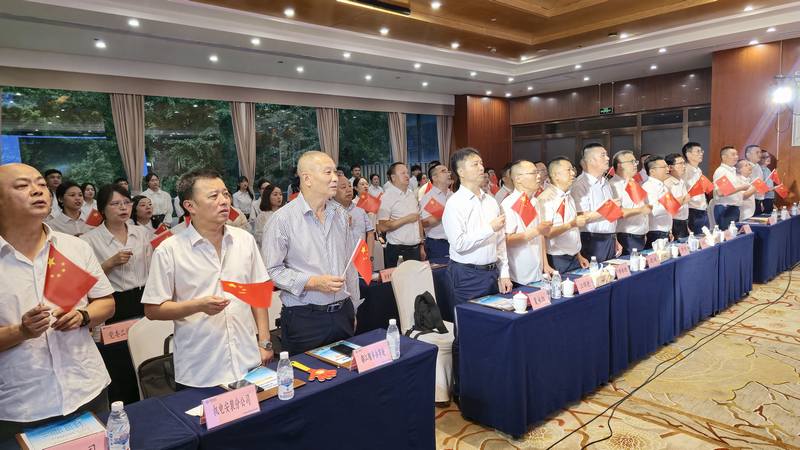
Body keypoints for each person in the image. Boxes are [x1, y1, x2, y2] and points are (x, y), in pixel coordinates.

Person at [0, 163, 115, 443]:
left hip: (87, 387)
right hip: (22, 405)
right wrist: (21, 331)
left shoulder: (74, 247)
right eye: (22, 186)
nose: (37, 190)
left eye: (41, 184)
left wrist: (83, 315)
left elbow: (106, 303)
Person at [142, 169, 272, 389]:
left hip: (248, 360)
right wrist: (198, 306)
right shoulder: (170, 250)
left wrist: (265, 341)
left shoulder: (244, 240)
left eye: (226, 194)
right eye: (214, 196)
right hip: (200, 369)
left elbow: (258, 292)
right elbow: (153, 309)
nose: (224, 201)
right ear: (190, 206)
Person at [263, 151, 360, 355]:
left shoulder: (340, 214)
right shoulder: (282, 220)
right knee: (307, 374)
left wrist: (353, 307)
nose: (335, 178)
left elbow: (349, 264)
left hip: (343, 312)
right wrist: (312, 282)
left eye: (335, 172)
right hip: (305, 318)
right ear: (307, 179)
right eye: (328, 172)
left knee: (347, 372)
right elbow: (272, 271)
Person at [441, 148, 509, 402]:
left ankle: (488, 382)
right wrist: (488, 228)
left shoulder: (490, 201)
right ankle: (464, 390)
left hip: (492, 273)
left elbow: (500, 240)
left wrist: (504, 272)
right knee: (468, 333)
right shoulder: (455, 204)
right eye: (474, 164)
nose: (481, 168)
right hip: (466, 276)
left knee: (491, 329)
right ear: (460, 171)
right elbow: (459, 244)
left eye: (481, 163)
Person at [82, 185, 152, 323]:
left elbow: (151, 267)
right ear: (102, 209)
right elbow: (86, 281)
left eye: (127, 202)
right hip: (113, 300)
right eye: (115, 203)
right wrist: (110, 263)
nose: (123, 207)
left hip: (145, 296)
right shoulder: (88, 240)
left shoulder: (142, 232)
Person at [500, 160, 553, 285]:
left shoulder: (535, 201)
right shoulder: (508, 204)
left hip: (538, 270)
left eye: (538, 172)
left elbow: (540, 235)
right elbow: (507, 240)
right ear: (518, 179)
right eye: (533, 173)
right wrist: (537, 230)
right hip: (520, 274)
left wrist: (546, 264)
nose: (538, 176)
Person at [539, 157, 589, 273]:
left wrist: (579, 255)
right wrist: (571, 224)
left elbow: (574, 230)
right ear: (556, 175)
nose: (573, 173)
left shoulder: (568, 196)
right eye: (568, 170)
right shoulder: (546, 199)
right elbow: (546, 233)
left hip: (574, 257)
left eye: (573, 169)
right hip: (557, 258)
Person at [571, 143, 619, 262]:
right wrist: (608, 208)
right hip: (592, 240)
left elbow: (610, 217)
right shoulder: (580, 185)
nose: (608, 158)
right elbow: (581, 217)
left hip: (610, 238)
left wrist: (615, 238)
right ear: (591, 160)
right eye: (603, 155)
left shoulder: (606, 182)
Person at [378, 162, 425, 268]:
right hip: (398, 250)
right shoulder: (386, 197)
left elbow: (418, 220)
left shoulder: (411, 194)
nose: (407, 176)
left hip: (416, 248)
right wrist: (407, 219)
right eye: (403, 173)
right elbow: (383, 226)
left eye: (407, 173)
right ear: (393, 177)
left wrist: (421, 245)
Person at [609, 150, 652, 255]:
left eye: (635, 162)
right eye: (631, 162)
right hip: (626, 237)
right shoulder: (613, 186)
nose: (635, 164)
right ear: (620, 165)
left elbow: (642, 207)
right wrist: (640, 210)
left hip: (641, 235)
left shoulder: (633, 182)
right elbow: (615, 213)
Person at [335, 175, 374, 257]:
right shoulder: (330, 212)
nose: (349, 190)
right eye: (343, 187)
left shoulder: (360, 209)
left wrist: (370, 256)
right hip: (341, 260)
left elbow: (370, 232)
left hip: (361, 258)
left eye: (350, 186)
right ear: (333, 191)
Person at [420, 163, 452, 263]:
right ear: (435, 177)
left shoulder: (453, 195)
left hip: (455, 243)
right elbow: (424, 223)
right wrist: (445, 212)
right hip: (437, 244)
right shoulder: (428, 198)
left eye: (448, 171)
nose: (448, 174)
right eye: (443, 171)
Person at [713, 146, 750, 229]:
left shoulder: (731, 171)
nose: (736, 157)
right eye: (733, 155)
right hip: (725, 209)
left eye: (737, 154)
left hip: (733, 208)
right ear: (724, 157)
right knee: (727, 235)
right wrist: (741, 188)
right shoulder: (721, 171)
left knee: (734, 234)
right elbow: (721, 192)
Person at [641, 156, 673, 247]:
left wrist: (670, 230)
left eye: (667, 166)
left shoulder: (664, 186)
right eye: (664, 167)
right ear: (652, 171)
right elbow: (654, 210)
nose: (668, 169)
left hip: (665, 231)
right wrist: (671, 204)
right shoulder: (648, 187)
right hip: (655, 232)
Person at [681, 142, 709, 234]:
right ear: (688, 154)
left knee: (706, 238)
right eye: (698, 151)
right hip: (692, 210)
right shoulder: (685, 170)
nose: (701, 154)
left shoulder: (698, 170)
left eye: (701, 151)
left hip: (702, 209)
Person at [665, 153, 690, 239]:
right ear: (670, 167)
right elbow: (668, 207)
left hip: (683, 221)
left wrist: (686, 226)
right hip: (673, 223)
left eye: (684, 163)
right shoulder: (667, 183)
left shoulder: (681, 181)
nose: (684, 166)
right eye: (680, 164)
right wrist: (682, 199)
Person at [253, 183, 283, 248]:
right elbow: (258, 237)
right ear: (267, 196)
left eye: (280, 194)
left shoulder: (285, 213)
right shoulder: (262, 216)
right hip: (269, 249)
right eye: (275, 194)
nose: (279, 197)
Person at [743, 145, 765, 214]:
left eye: (760, 152)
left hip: (758, 201)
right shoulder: (744, 167)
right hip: (748, 201)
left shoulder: (758, 166)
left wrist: (761, 201)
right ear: (748, 155)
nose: (760, 154)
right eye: (757, 152)